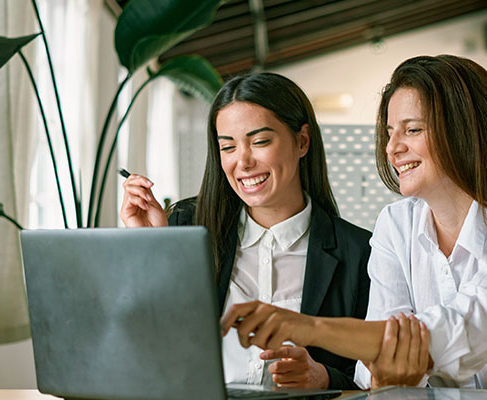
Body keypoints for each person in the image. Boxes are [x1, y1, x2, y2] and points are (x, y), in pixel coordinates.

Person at [219, 55, 487, 390]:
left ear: (466, 132)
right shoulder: (396, 225)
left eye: (412, 130)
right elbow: (372, 376)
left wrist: (307, 327)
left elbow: (456, 336)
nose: (392, 148)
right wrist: (390, 368)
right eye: (389, 133)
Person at [120, 72, 372, 390]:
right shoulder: (188, 226)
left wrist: (324, 377)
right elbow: (148, 347)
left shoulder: (359, 252)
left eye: (260, 141)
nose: (244, 161)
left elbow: (375, 375)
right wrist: (153, 247)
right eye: (228, 147)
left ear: (302, 141)